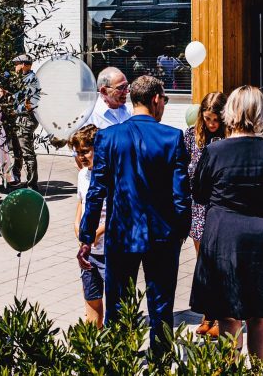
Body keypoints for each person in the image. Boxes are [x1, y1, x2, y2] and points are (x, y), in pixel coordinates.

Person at [77, 75, 189, 356]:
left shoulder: (108, 137)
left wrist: (86, 236)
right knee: (161, 306)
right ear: (155, 100)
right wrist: (180, 232)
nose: (164, 105)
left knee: (118, 305)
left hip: (122, 233)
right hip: (161, 236)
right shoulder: (172, 137)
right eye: (164, 100)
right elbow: (181, 195)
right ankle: (161, 364)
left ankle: (120, 362)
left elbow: (96, 192)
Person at [190, 86, 263, 363]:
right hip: (260, 234)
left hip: (224, 234)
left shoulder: (215, 151)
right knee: (260, 314)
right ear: (259, 113)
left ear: (230, 112)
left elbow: (198, 193)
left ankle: (231, 369)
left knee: (228, 314)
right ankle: (260, 370)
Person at [185, 91, 227, 338]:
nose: (212, 124)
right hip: (197, 207)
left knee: (220, 264)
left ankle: (222, 317)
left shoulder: (227, 138)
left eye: (216, 120)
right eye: (208, 119)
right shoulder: (191, 137)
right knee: (204, 265)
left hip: (219, 206)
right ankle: (208, 314)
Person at [70, 124, 104, 327]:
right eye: (78, 152)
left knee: (118, 303)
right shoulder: (83, 175)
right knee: (91, 297)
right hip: (88, 250)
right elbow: (81, 204)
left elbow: (115, 212)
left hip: (109, 248)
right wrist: (78, 228)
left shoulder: (109, 175)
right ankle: (93, 346)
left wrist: (95, 233)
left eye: (85, 151)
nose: (81, 157)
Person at [8, 54, 40, 189]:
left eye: (17, 64)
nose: (15, 67)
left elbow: (31, 102)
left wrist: (15, 109)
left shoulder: (32, 79)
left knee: (27, 153)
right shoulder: (21, 79)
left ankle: (32, 184)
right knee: (17, 151)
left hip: (25, 119)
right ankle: (17, 178)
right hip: (17, 119)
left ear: (25, 64)